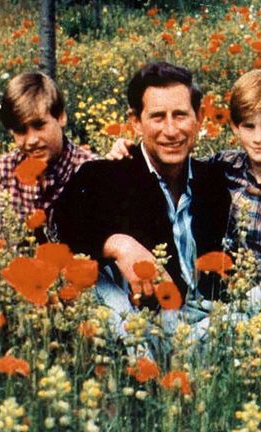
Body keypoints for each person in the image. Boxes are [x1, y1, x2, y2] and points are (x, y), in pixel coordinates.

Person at [109, 69, 261, 351]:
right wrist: (127, 150)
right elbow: (180, 164)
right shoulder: (225, 168)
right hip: (232, 304)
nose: (258, 138)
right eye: (249, 126)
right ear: (235, 127)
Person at [51, 61, 232, 341]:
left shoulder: (213, 180)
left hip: (210, 325)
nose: (170, 130)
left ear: (199, 117)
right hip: (146, 329)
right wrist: (118, 244)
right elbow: (60, 230)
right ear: (136, 122)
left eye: (180, 115)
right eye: (158, 117)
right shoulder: (105, 176)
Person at [0, 71, 96, 240]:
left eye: (39, 126)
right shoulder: (4, 169)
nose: (31, 141)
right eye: (21, 130)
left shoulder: (90, 169)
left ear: (61, 117)